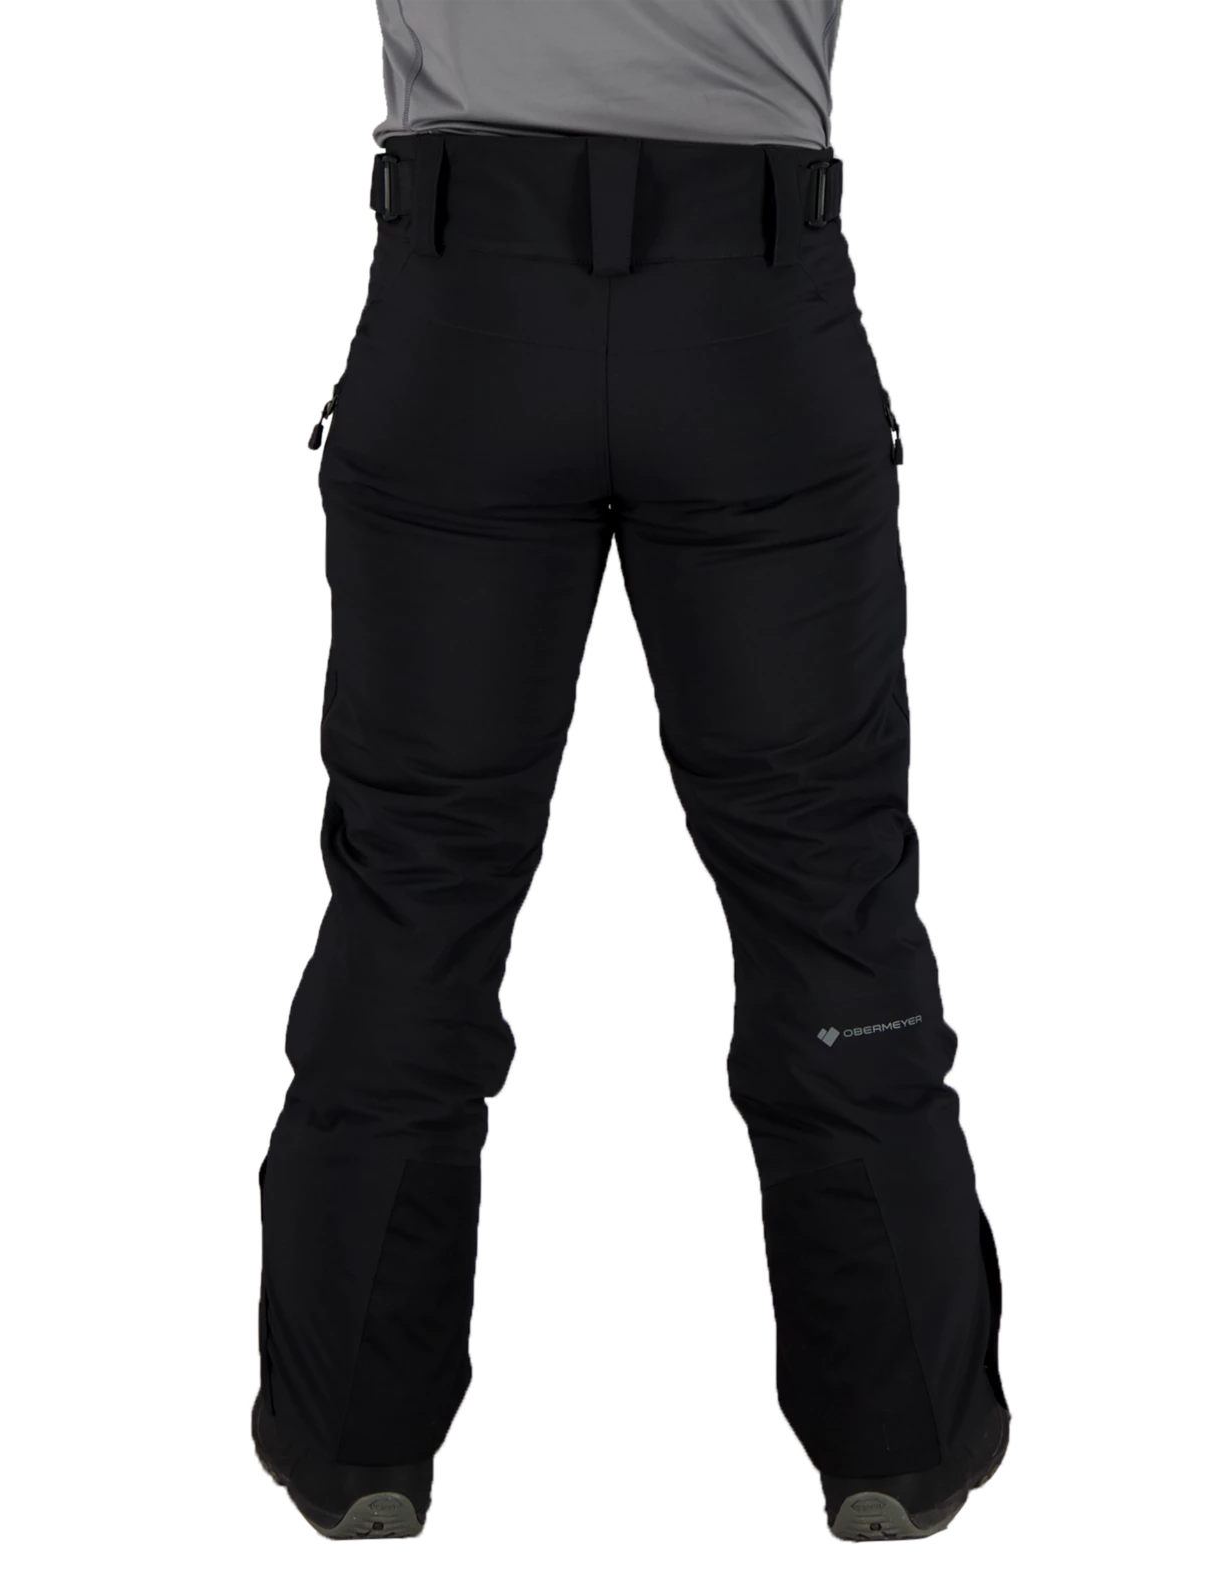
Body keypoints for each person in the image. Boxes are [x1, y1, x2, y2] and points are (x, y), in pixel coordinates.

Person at [251, 0, 1011, 1545]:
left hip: (463, 299)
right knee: (824, 884)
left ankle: (351, 1446)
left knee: (413, 889)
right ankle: (900, 1440)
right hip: (748, 307)